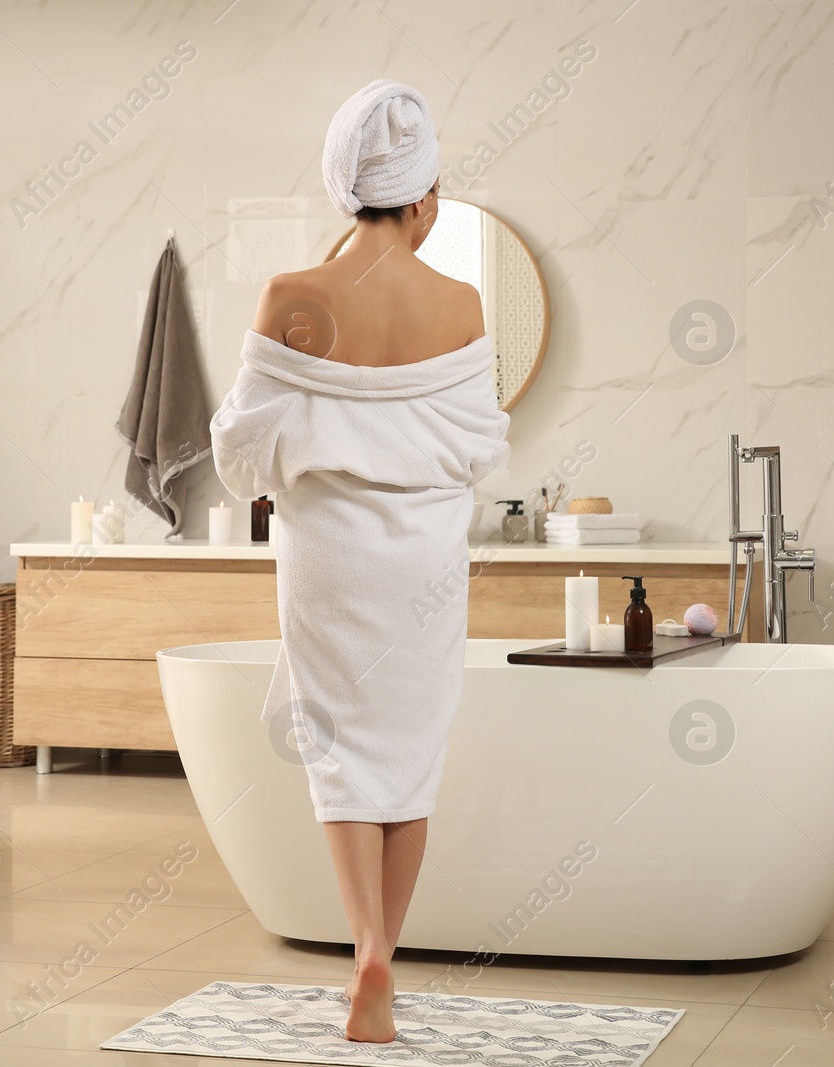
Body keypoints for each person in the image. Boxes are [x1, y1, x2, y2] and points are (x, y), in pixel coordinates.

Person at [209, 80, 510, 1043]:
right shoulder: (460, 303)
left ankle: (364, 943)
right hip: (423, 564)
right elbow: (479, 451)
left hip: (326, 555)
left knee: (339, 755)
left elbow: (239, 452)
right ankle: (392, 952)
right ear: (424, 198)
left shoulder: (293, 296)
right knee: (408, 760)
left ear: (348, 191)